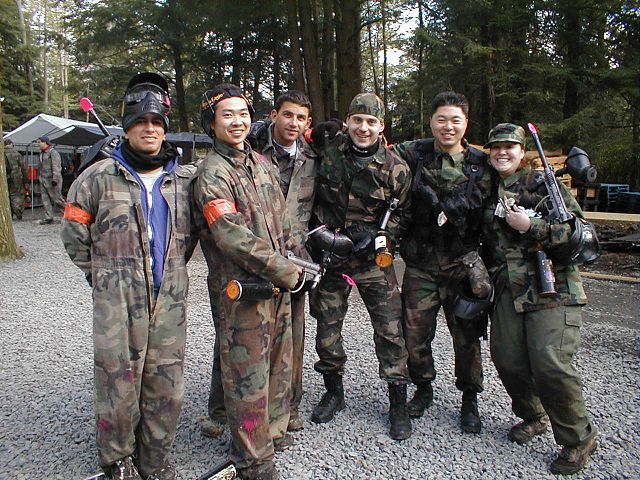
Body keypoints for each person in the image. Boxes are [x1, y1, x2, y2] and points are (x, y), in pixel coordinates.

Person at [61, 72, 197, 480]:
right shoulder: (99, 177)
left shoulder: (183, 181)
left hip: (169, 300)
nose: (149, 129)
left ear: (165, 127)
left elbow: (189, 239)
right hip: (117, 302)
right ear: (127, 127)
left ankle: (155, 458)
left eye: (156, 122)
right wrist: (102, 275)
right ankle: (117, 458)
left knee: (165, 384)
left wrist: (172, 271)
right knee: (117, 384)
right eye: (140, 122)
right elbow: (74, 233)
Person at [192, 84, 302, 480]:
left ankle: (272, 432)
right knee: (247, 375)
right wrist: (282, 269)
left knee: (278, 361)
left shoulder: (261, 163)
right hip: (241, 290)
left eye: (242, 113)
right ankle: (253, 460)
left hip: (277, 284)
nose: (237, 121)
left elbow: (284, 220)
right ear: (212, 123)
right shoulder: (212, 173)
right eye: (227, 115)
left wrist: (297, 257)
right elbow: (230, 235)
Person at [481, 123, 597, 475]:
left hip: (552, 285)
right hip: (508, 287)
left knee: (550, 362)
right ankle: (534, 414)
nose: (502, 152)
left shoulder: (545, 185)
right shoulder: (486, 188)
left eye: (510, 147)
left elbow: (580, 232)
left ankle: (578, 438)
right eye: (496, 147)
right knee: (508, 358)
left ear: (522, 152)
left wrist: (531, 226)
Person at [308, 93, 413, 440]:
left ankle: (397, 401)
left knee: (390, 330)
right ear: (347, 122)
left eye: (371, 122)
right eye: (357, 120)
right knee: (327, 327)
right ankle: (333, 392)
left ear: (381, 126)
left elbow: (403, 213)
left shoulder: (396, 168)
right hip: (333, 257)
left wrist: (383, 236)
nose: (363, 128)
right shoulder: (328, 152)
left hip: (372, 262)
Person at [390, 91, 493, 433]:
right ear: (431, 121)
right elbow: (376, 148)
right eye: (441, 119)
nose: (448, 127)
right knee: (414, 334)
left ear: (466, 123)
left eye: (455, 120)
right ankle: (423, 387)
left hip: (462, 266)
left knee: (466, 337)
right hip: (422, 265)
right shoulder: (414, 153)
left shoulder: (482, 164)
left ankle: (470, 398)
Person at [37, 135, 66, 224]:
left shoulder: (53, 152)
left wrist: (55, 179)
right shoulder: (42, 153)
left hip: (52, 180)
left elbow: (56, 166)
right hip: (43, 179)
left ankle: (69, 214)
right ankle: (48, 217)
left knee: (57, 199)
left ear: (45, 142)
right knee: (45, 199)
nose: (38, 144)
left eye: (39, 142)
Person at [3, 139, 27, 220]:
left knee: (7, 195)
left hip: (5, 178)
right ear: (11, 144)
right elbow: (23, 168)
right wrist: (26, 181)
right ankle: (18, 212)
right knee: (16, 195)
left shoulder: (2, 153)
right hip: (17, 178)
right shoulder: (17, 154)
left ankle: (9, 213)